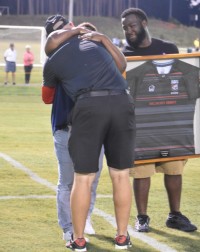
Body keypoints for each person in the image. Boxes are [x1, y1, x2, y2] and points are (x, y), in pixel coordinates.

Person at [43, 14, 136, 251]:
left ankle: (78, 239)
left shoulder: (52, 61)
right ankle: (122, 237)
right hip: (122, 102)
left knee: (83, 178)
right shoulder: (95, 43)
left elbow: (48, 95)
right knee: (121, 175)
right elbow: (122, 66)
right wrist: (102, 38)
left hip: (88, 106)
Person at [121, 7, 197, 233]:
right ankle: (142, 217)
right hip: (140, 126)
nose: (129, 31)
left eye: (132, 25)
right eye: (125, 27)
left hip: (170, 124)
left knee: (174, 169)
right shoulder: (125, 54)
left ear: (144, 23)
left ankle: (175, 215)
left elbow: (184, 81)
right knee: (142, 173)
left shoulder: (168, 48)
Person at [42, 16, 104, 244]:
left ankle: (85, 218)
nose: (70, 29)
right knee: (68, 181)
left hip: (93, 126)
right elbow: (46, 97)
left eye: (68, 25)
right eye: (62, 29)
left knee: (92, 178)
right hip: (66, 126)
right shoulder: (55, 57)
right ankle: (68, 228)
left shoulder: (91, 49)